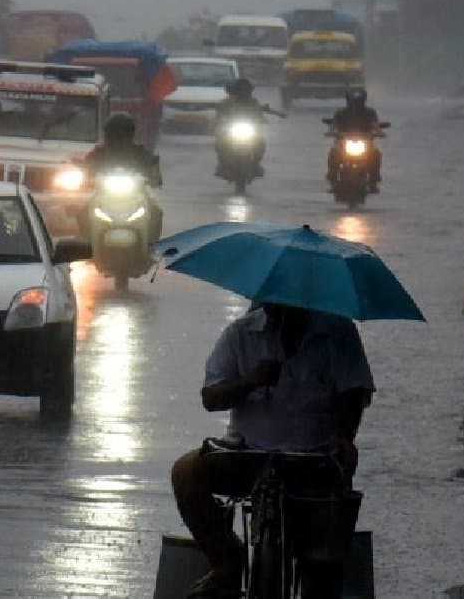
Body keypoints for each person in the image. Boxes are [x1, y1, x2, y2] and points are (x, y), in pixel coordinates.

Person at [169, 302, 375, 598]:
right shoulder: (240, 333)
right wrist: (250, 381)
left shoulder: (338, 333)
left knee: (323, 571)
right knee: (186, 471)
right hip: (246, 456)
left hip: (313, 459)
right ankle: (226, 563)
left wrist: (344, 437)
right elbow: (211, 397)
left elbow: (355, 392)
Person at [79, 112, 163, 240]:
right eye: (115, 133)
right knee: (82, 212)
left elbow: (153, 168)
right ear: (108, 133)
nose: (119, 137)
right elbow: (87, 167)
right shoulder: (99, 153)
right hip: (103, 195)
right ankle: (88, 244)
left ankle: (151, 245)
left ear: (130, 134)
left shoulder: (140, 152)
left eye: (123, 133)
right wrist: (86, 178)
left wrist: (154, 177)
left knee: (156, 212)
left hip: (135, 195)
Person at [326, 88, 383, 191]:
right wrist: (331, 132)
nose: (355, 104)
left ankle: (373, 181)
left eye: (358, 102)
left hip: (365, 144)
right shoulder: (340, 112)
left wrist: (379, 133)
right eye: (353, 102)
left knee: (375, 154)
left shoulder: (370, 112)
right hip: (343, 143)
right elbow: (333, 126)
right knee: (333, 153)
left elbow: (375, 126)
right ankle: (332, 179)